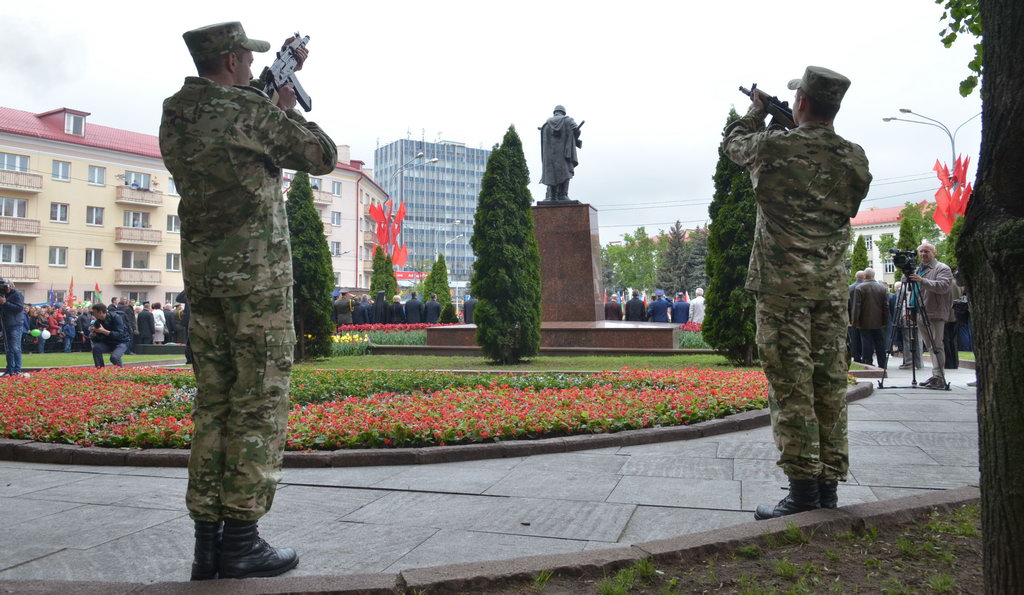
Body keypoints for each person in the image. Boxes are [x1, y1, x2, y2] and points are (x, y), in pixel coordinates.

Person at [160, 21, 338, 581]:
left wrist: (263, 94)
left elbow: (228, 133)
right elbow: (322, 155)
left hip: (205, 280)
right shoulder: (252, 112)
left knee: (214, 404)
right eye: (247, 58)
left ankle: (207, 546)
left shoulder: (177, 112)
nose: (251, 64)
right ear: (233, 60)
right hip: (257, 282)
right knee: (259, 403)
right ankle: (242, 542)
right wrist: (285, 107)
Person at [722, 66, 872, 519]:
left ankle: (803, 493)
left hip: (782, 289)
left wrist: (757, 113)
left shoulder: (773, 147)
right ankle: (828, 488)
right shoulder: (855, 158)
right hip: (830, 290)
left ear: (801, 102)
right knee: (829, 385)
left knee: (791, 385)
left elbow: (733, 144)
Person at [906, 242, 953, 388]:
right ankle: (935, 375)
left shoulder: (942, 268)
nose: (923, 254)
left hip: (934, 312)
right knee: (930, 346)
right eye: (921, 251)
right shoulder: (919, 269)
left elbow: (943, 286)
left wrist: (922, 281)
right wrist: (910, 309)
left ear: (934, 253)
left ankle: (939, 377)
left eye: (926, 251)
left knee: (937, 345)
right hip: (920, 312)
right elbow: (913, 291)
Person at [538, 105, 582, 201]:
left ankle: (552, 196)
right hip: (564, 154)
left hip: (549, 156)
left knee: (551, 173)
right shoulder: (568, 120)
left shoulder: (546, 125)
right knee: (566, 172)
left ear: (555, 113)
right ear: (563, 112)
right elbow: (577, 131)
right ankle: (563, 195)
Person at [851, 268, 888, 367]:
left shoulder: (859, 288)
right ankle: (883, 364)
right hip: (878, 321)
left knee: (866, 342)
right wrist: (885, 321)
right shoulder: (882, 288)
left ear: (865, 276)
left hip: (864, 321)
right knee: (880, 342)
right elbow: (886, 306)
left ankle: (867, 362)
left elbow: (857, 306)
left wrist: (855, 322)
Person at [90, 303, 131, 367]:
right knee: (96, 348)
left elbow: (119, 334)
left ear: (100, 312)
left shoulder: (116, 317)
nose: (93, 314)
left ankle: (121, 371)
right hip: (108, 342)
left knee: (114, 357)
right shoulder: (97, 322)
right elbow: (97, 340)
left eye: (94, 312)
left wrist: (103, 331)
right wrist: (94, 334)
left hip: (121, 342)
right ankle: (100, 369)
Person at [0, 279, 26, 376]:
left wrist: (5, 303)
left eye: (5, 286)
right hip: (6, 324)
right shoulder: (3, 295)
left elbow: (19, 308)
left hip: (15, 324)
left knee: (15, 347)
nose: (4, 288)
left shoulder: (17, 294)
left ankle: (17, 370)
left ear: (10, 286)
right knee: (8, 348)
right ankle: (10, 370)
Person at [847, 270, 865, 363]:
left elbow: (848, 304)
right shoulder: (866, 287)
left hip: (853, 317)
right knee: (865, 338)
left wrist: (849, 318)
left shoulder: (850, 288)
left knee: (855, 338)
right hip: (866, 317)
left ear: (855, 277)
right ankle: (865, 357)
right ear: (864, 277)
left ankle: (856, 357)